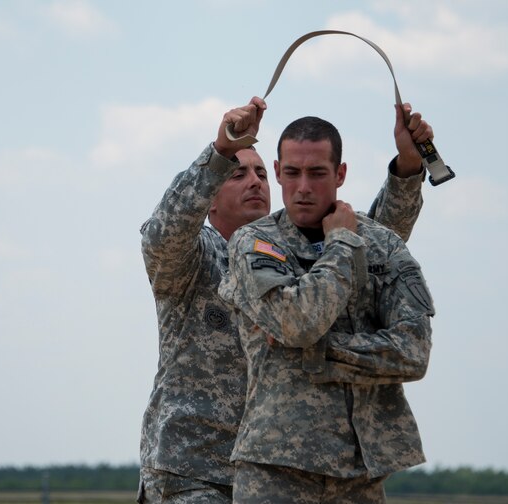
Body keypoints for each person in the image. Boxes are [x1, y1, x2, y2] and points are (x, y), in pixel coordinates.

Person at [138, 96, 433, 503]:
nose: (254, 181)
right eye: (237, 174)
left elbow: (361, 250)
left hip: (287, 462)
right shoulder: (192, 260)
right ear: (209, 196)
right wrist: (220, 150)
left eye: (261, 173)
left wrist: (408, 169)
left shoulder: (289, 254)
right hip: (195, 469)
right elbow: (163, 235)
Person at [219, 115, 435, 504]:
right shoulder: (253, 243)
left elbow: (413, 352)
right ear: (278, 173)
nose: (303, 187)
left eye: (317, 173)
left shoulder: (382, 244)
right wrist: (340, 243)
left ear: (340, 174)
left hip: (360, 475)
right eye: (292, 173)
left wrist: (315, 351)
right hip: (274, 470)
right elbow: (298, 323)